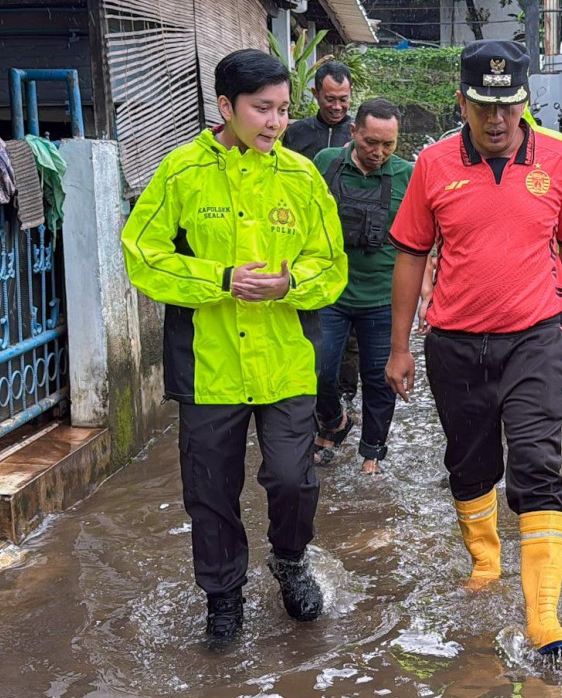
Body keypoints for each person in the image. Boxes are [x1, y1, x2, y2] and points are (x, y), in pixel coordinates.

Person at [120, 49, 347, 647]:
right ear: (226, 106)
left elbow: (332, 265)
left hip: (286, 360)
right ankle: (223, 598)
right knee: (211, 491)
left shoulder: (301, 178)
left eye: (282, 109)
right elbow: (141, 256)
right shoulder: (182, 172)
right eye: (261, 109)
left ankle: (290, 562)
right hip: (208, 365)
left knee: (293, 478)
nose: (275, 122)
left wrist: (290, 283)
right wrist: (219, 280)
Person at [385, 40, 562, 658]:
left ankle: (544, 616)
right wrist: (399, 348)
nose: (499, 120)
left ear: (525, 102)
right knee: (470, 462)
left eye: (510, 105)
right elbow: (410, 255)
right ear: (462, 103)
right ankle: (485, 563)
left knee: (536, 461)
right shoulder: (432, 164)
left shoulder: (558, 158)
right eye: (484, 107)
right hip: (455, 344)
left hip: (538, 337)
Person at [310, 98, 414, 475]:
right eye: (371, 142)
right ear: (353, 132)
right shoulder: (326, 163)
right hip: (330, 292)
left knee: (379, 376)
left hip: (384, 296)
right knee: (318, 368)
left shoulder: (408, 174)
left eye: (388, 145)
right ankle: (334, 422)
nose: (379, 153)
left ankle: (372, 450)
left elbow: (422, 240)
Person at [283, 61, 361, 415]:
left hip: (351, 241)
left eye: (344, 99)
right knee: (314, 316)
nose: (338, 106)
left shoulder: (359, 134)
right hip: (304, 241)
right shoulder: (295, 134)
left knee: (352, 329)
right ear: (315, 94)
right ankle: (312, 388)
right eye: (330, 98)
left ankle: (345, 394)